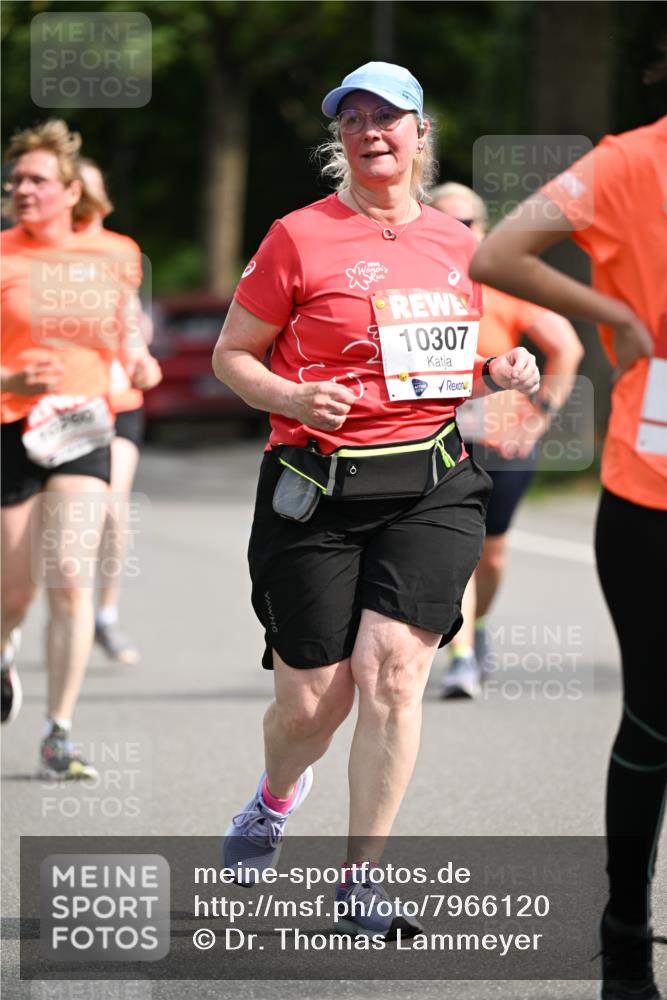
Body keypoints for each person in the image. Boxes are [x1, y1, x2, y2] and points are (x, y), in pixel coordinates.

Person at [212, 61, 539, 937]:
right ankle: (274, 800)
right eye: (353, 118)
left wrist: (501, 370)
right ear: (340, 140)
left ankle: (359, 877)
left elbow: (447, 361)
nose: (372, 131)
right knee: (312, 703)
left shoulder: (457, 243)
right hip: (314, 485)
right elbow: (232, 356)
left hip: (431, 481)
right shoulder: (296, 236)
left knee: (393, 672)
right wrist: (289, 397)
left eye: (389, 117)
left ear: (419, 133)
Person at [469, 117, 667, 999]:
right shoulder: (628, 160)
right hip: (651, 484)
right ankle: (623, 935)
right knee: (656, 719)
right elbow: (500, 253)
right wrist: (613, 312)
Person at [0, 121, 150, 778]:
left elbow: (124, 335)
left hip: (83, 427)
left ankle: (57, 731)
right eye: (15, 181)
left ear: (68, 191)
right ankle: (6, 650)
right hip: (9, 425)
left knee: (66, 572)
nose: (20, 190)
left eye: (35, 180)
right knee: (12, 591)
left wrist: (140, 362)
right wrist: (9, 379)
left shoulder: (117, 254)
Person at [429, 182, 583, 698]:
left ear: (484, 230)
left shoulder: (503, 287)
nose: (456, 232)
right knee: (455, 551)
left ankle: (476, 628)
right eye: (444, 222)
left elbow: (567, 348)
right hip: (437, 442)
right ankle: (462, 657)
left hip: (502, 441)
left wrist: (536, 420)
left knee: (491, 555)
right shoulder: (415, 291)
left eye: (466, 223)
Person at [73, 158, 161, 664]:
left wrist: (140, 352)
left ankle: (103, 615)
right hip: (58, 401)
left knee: (112, 505)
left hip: (118, 399)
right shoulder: (34, 253)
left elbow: (130, 317)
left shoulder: (119, 251)